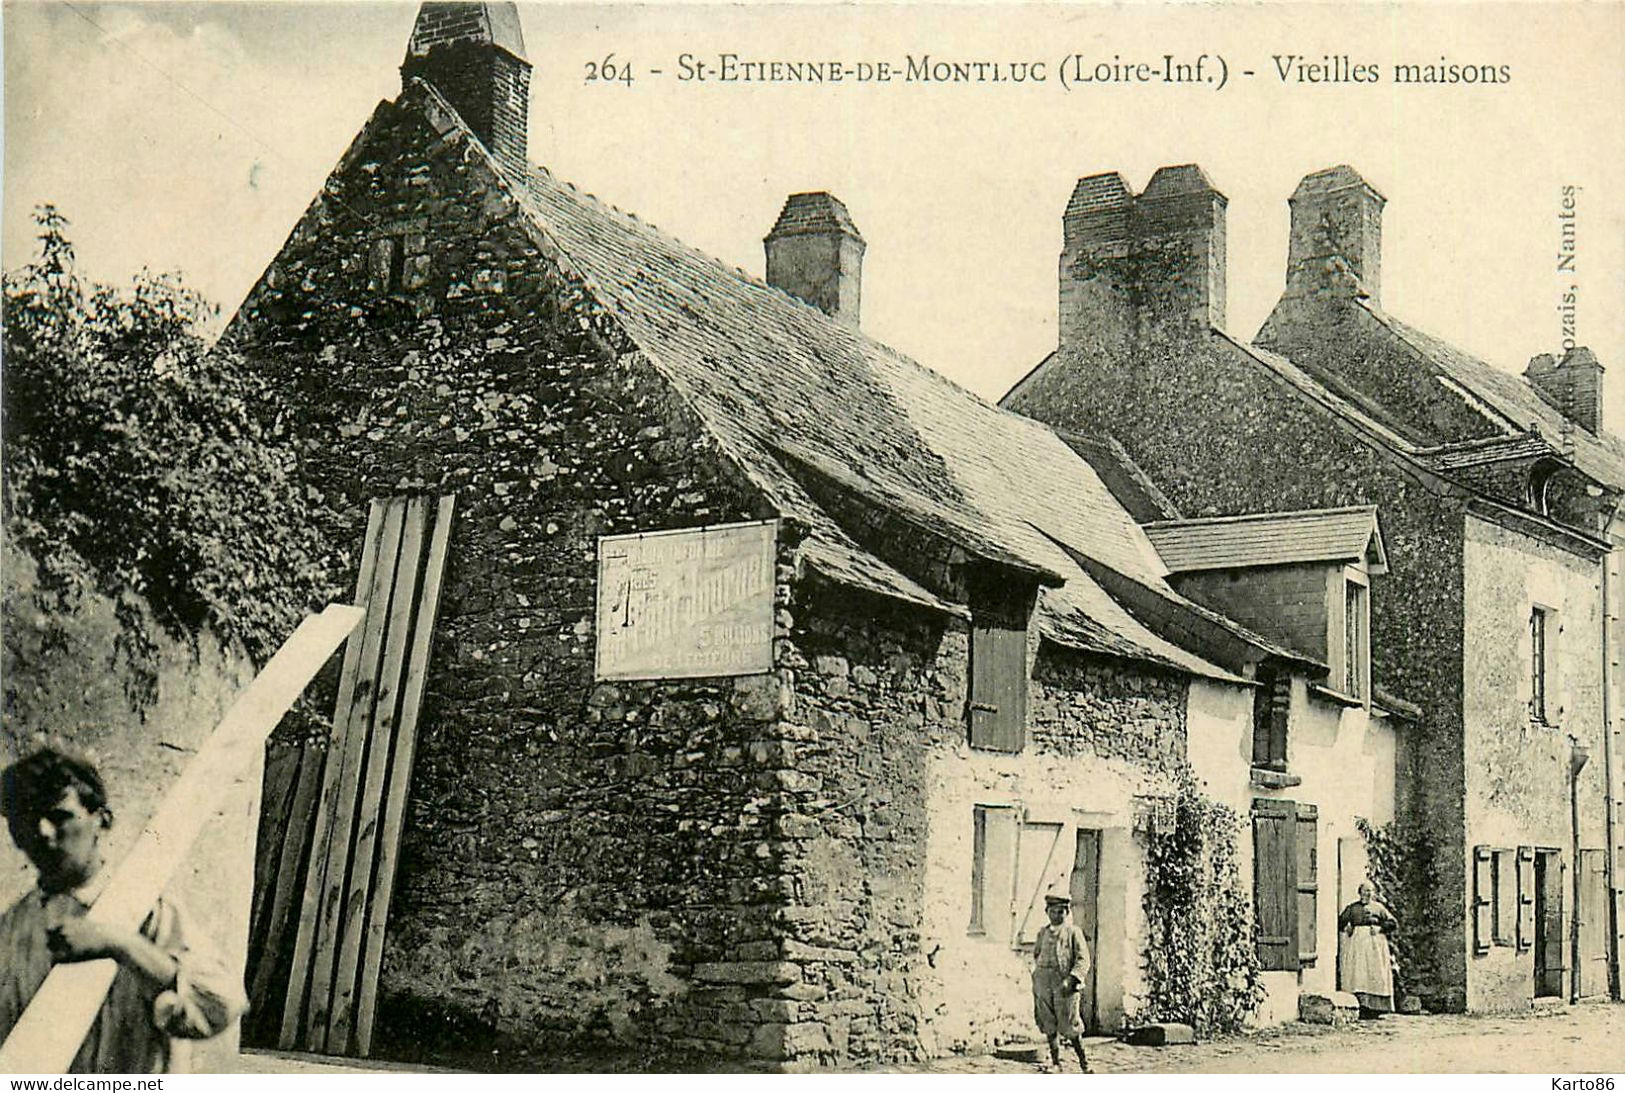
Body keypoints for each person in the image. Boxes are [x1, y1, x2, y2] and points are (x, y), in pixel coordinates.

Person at [0, 748, 247, 1072]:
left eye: (60, 816)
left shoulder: (146, 911)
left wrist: (121, 944)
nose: (43, 832)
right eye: (27, 819)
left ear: (101, 821)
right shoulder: (13, 929)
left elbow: (221, 1005)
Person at [1031, 890, 1091, 1073]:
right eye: (1053, 911)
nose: (1057, 915)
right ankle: (1056, 1063)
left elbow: (1083, 959)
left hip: (1065, 984)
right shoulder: (1042, 933)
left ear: (1067, 912)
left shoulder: (1073, 933)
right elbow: (1037, 953)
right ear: (1047, 912)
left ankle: (1084, 1063)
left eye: (1061, 911)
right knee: (1048, 1022)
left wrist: (1072, 979)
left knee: (1070, 1024)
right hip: (1043, 983)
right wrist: (1039, 976)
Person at [1337, 880, 1399, 1018]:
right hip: (1357, 944)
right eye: (1365, 891)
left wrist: (1380, 929)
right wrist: (1347, 927)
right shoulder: (1352, 908)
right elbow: (1341, 921)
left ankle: (1377, 1008)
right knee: (1359, 973)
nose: (1367, 894)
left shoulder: (1379, 908)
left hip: (1375, 945)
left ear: (1374, 893)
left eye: (1370, 891)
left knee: (1375, 973)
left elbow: (1392, 923)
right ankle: (1359, 1004)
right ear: (1360, 893)